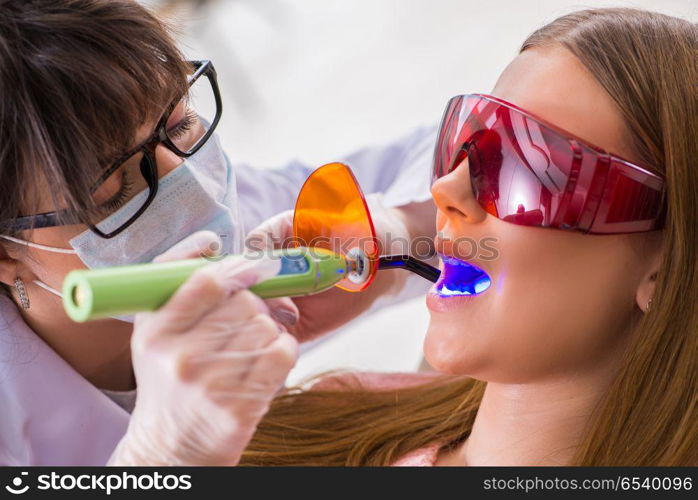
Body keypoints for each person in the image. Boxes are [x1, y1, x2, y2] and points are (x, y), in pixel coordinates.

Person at [225, 7, 697, 466]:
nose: (444, 190)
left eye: (528, 168)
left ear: (665, 269)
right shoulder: (328, 409)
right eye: (461, 143)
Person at [0, 0, 434, 465]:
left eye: (180, 124)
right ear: (8, 256)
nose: (191, 189)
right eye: (108, 191)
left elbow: (471, 160)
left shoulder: (255, 216)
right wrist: (159, 460)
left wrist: (399, 234)